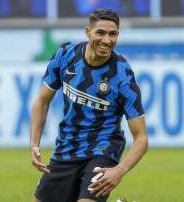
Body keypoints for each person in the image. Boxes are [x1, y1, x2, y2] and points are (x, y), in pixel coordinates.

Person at [29, 8, 148, 202]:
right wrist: (34, 143)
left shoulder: (122, 74)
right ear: (87, 31)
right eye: (100, 32)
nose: (107, 40)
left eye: (113, 34)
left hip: (103, 149)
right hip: (67, 148)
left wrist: (119, 170)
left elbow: (141, 138)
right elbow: (42, 101)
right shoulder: (66, 55)